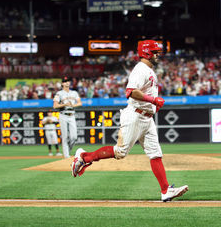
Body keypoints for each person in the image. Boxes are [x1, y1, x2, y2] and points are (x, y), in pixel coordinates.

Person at [71, 40, 189, 202]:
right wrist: (153, 100)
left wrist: (152, 105)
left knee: (156, 154)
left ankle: (165, 191)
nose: (158, 56)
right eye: (155, 52)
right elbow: (130, 91)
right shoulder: (140, 70)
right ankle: (84, 157)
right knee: (120, 152)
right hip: (135, 115)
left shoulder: (148, 70)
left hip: (147, 117)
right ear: (147, 53)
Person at [53, 76, 82, 158]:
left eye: (68, 81)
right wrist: (64, 104)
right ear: (62, 83)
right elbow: (55, 106)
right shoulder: (59, 93)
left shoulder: (74, 93)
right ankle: (66, 156)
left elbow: (80, 103)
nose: (67, 82)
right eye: (65, 81)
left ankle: (67, 151)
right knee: (65, 136)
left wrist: (73, 105)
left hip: (72, 114)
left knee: (74, 137)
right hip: (63, 114)